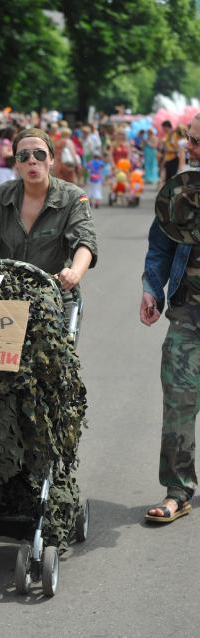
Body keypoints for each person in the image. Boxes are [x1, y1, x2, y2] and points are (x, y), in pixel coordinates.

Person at [140, 112, 200, 524]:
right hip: (186, 314)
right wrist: (151, 287)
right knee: (178, 399)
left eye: (196, 142)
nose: (188, 148)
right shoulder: (179, 191)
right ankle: (178, 490)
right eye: (189, 140)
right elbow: (160, 245)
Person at [0, 127, 97, 302]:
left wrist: (74, 273)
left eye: (40, 154)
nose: (32, 160)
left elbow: (84, 241)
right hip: (7, 294)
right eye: (23, 156)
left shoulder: (73, 197)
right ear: (16, 163)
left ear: (51, 159)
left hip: (55, 294)